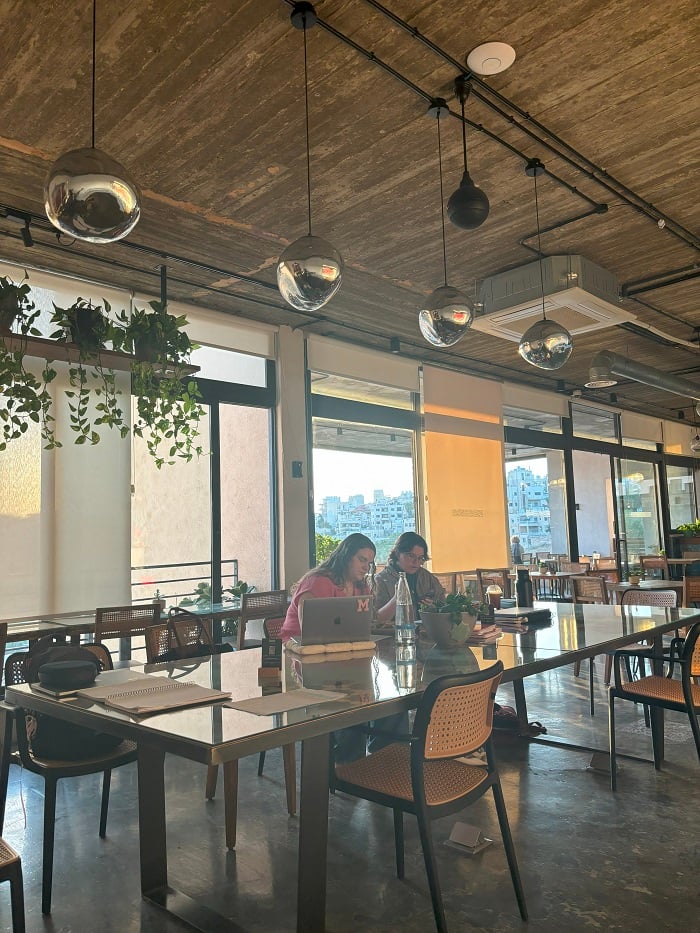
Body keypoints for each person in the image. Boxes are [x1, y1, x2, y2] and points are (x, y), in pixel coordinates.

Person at [280, 532, 376, 642]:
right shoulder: (318, 583)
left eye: (369, 563)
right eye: (362, 560)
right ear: (346, 557)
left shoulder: (361, 586)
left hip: (340, 648)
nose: (366, 568)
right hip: (296, 651)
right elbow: (311, 634)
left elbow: (367, 625)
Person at [374, 532, 445, 622]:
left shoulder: (427, 577)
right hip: (394, 633)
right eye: (411, 556)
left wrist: (435, 607)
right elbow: (377, 620)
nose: (416, 562)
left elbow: (445, 607)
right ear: (397, 553)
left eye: (420, 558)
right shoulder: (381, 580)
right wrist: (396, 599)